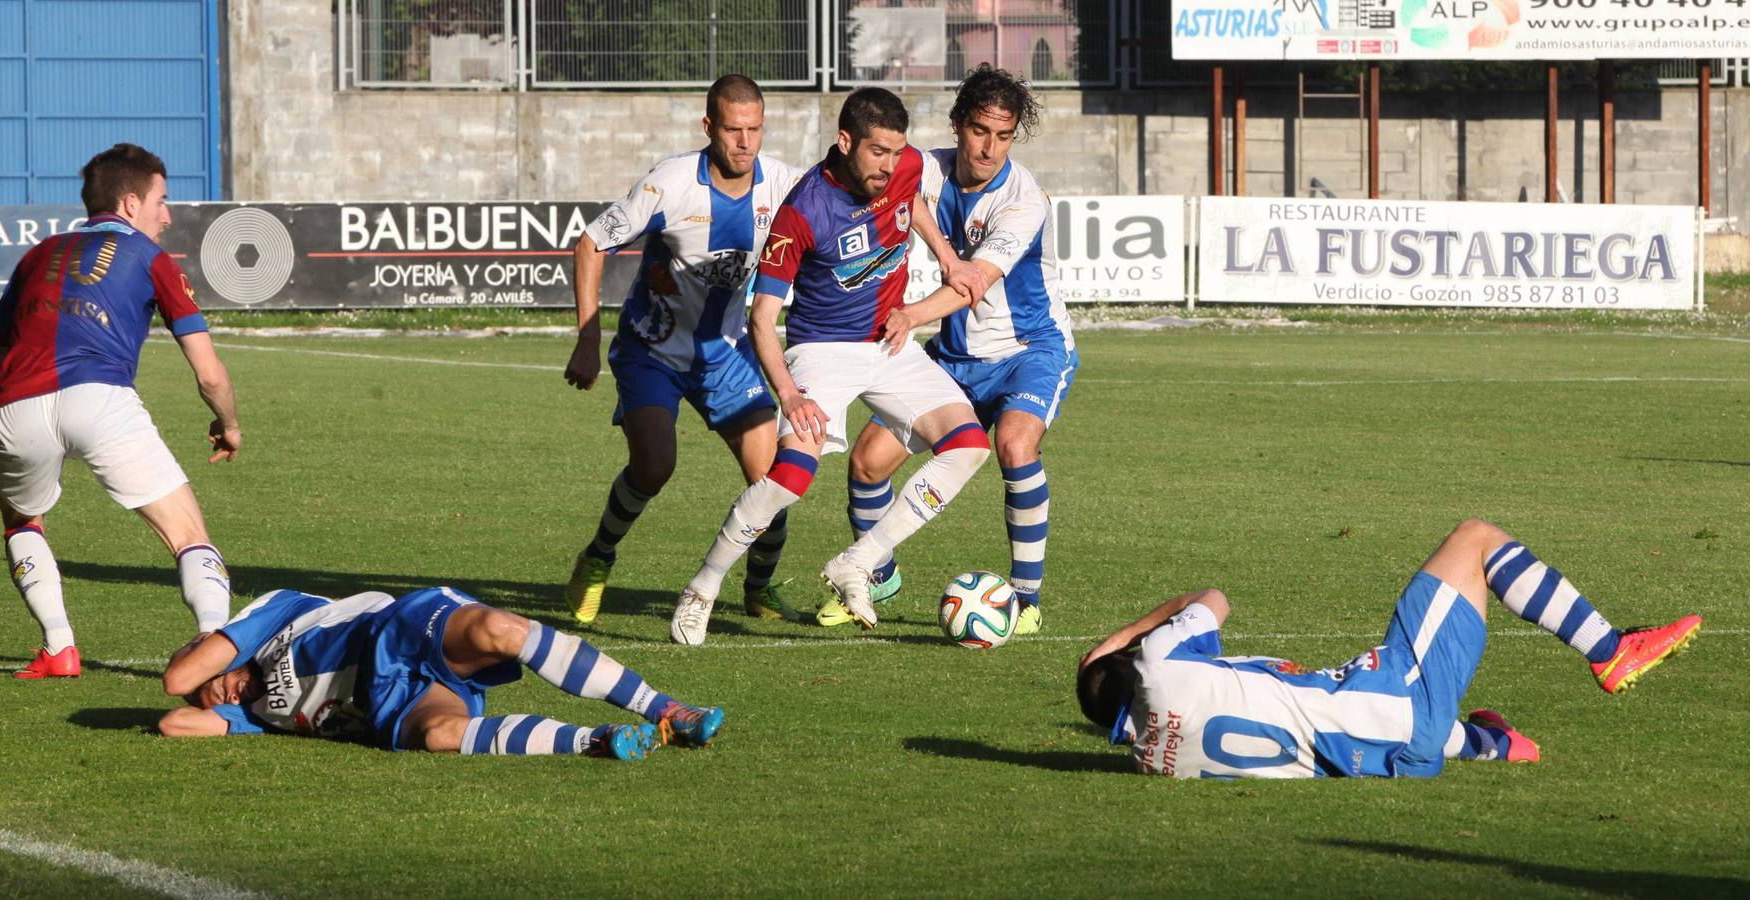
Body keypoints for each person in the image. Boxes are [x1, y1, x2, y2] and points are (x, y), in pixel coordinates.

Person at [669, 87, 991, 646]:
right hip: (821, 352)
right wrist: (792, 395)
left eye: (896, 152)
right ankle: (703, 587)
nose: (889, 166)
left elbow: (911, 197)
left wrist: (944, 254)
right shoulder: (801, 211)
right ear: (845, 142)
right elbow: (763, 320)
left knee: (968, 446)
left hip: (890, 342)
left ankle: (858, 562)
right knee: (792, 475)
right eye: (876, 153)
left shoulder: (905, 165)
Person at [1075, 519, 1702, 779]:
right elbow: (1212, 597)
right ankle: (1611, 649)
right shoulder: (1159, 664)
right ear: (1133, 663)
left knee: (1351, 714)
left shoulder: (1152, 763)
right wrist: (1125, 636)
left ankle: (1495, 744)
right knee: (1476, 540)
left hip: (1398, 759)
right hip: (1394, 697)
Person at [0, 143, 242, 679]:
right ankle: (212, 642)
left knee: (22, 522)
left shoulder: (35, 256)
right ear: (131, 202)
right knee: (187, 535)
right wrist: (228, 425)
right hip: (101, 400)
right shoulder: (150, 256)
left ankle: (59, 647)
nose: (168, 213)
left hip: (16, 408)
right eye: (162, 199)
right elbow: (209, 373)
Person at [562, 75, 812, 627]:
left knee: (773, 480)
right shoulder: (671, 184)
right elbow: (591, 242)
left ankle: (760, 589)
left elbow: (847, 200)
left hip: (727, 354)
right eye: (732, 130)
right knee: (654, 466)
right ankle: (599, 557)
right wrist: (586, 337)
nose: (744, 143)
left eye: (754, 130)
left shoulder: (788, 186)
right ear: (708, 127)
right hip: (651, 351)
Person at [841, 65, 1074, 635]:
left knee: (1015, 446)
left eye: (1003, 135)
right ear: (957, 126)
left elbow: (975, 281)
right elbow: (877, 187)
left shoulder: (1023, 200)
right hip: (953, 357)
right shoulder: (925, 169)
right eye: (979, 131)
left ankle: (1024, 599)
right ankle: (877, 574)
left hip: (1028, 349)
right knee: (867, 462)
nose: (990, 147)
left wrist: (908, 317)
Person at [158, 585, 724, 760]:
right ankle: (598, 742)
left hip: (395, 631)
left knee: (499, 631)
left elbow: (177, 681)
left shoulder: (274, 616)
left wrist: (206, 659)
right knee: (440, 736)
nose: (223, 691)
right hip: (391, 705)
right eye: (220, 699)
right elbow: (174, 720)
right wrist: (224, 711)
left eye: (219, 678)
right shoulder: (255, 715)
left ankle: (665, 709)